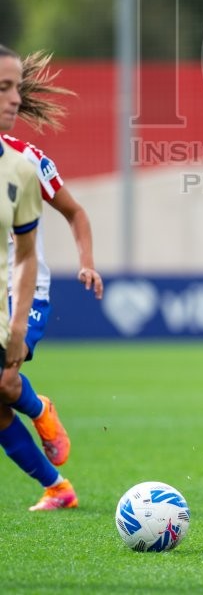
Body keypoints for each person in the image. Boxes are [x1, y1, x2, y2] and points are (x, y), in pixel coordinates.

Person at [0, 44, 76, 511]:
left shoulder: (21, 166)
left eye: (12, 89)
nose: (12, 99)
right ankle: (57, 488)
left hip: (17, 297)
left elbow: (27, 256)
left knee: (6, 386)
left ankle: (42, 409)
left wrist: (16, 325)